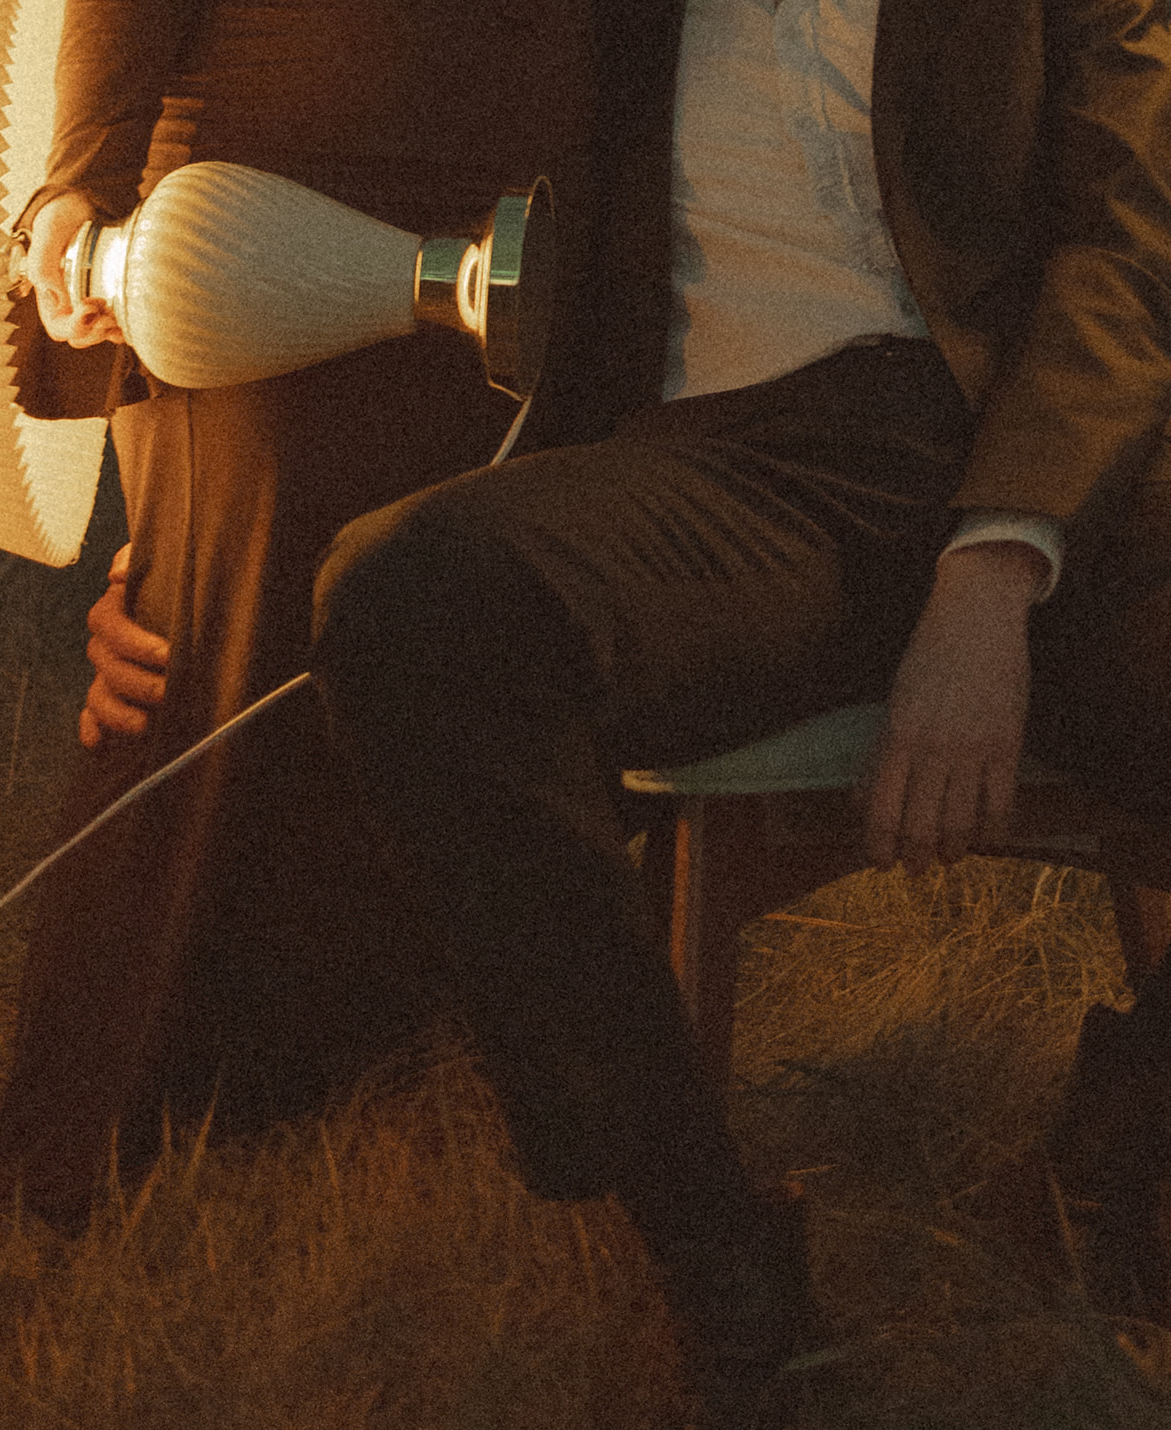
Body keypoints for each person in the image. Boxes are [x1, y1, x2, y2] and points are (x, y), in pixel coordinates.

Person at [307, 0, 1171, 1423]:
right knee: (411, 599)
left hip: (1038, 455)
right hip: (744, 471)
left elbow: (1131, 249)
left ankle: (1132, 1131)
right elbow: (337, 124)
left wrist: (998, 558)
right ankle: (715, 1250)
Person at [0, 0, 606, 1238]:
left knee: (439, 679)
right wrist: (74, 195)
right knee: (220, 678)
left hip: (536, 224)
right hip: (256, 211)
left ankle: (396, 1134)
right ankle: (120, 1171)